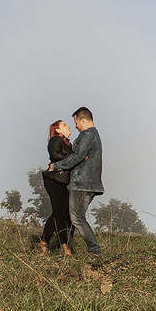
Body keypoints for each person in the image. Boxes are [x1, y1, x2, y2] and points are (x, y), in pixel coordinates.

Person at [47, 106, 104, 258]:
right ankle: (64, 249)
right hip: (87, 183)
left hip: (82, 183)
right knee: (72, 218)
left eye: (76, 122)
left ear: (83, 120)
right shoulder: (94, 135)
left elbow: (77, 156)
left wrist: (55, 166)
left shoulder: (87, 135)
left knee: (77, 218)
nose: (76, 126)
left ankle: (95, 251)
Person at [36, 120, 75, 256]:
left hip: (61, 180)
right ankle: (44, 241)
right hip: (54, 179)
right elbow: (54, 155)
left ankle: (64, 246)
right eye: (64, 125)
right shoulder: (56, 139)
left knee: (63, 213)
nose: (68, 126)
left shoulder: (66, 142)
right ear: (57, 130)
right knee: (59, 212)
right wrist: (74, 156)